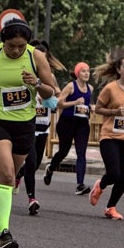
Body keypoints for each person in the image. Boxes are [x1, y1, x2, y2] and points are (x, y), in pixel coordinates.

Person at [0, 18, 55, 248]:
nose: (16, 50)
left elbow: (51, 91)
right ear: (3, 42)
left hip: (24, 124)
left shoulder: (35, 57)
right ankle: (3, 232)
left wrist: (36, 82)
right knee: (7, 175)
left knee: (6, 177)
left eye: (20, 46)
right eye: (11, 46)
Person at [13, 40, 66, 215]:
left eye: (44, 58)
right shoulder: (24, 74)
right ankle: (32, 199)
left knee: (35, 165)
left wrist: (51, 92)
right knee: (32, 161)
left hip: (43, 125)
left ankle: (18, 175)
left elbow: (55, 100)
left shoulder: (50, 77)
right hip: (28, 124)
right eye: (38, 57)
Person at [89, 55, 124, 220]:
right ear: (119, 70)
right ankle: (101, 185)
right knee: (114, 173)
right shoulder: (110, 88)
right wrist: (113, 112)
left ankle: (111, 207)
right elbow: (98, 109)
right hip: (110, 136)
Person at [43, 61, 93, 194]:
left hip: (82, 124)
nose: (86, 73)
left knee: (81, 153)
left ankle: (80, 185)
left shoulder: (90, 89)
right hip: (67, 122)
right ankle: (51, 168)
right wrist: (74, 102)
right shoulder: (71, 86)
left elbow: (87, 105)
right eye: (83, 71)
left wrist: (91, 108)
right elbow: (58, 103)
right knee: (63, 151)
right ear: (77, 74)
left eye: (88, 71)